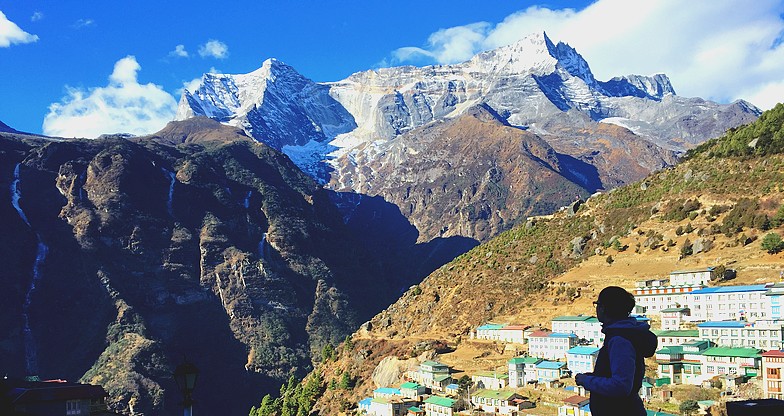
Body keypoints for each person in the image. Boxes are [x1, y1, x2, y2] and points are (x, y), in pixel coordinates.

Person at [575, 286, 658, 416]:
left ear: (602, 308)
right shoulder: (623, 334)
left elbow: (621, 386)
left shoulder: (620, 340)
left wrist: (586, 381)